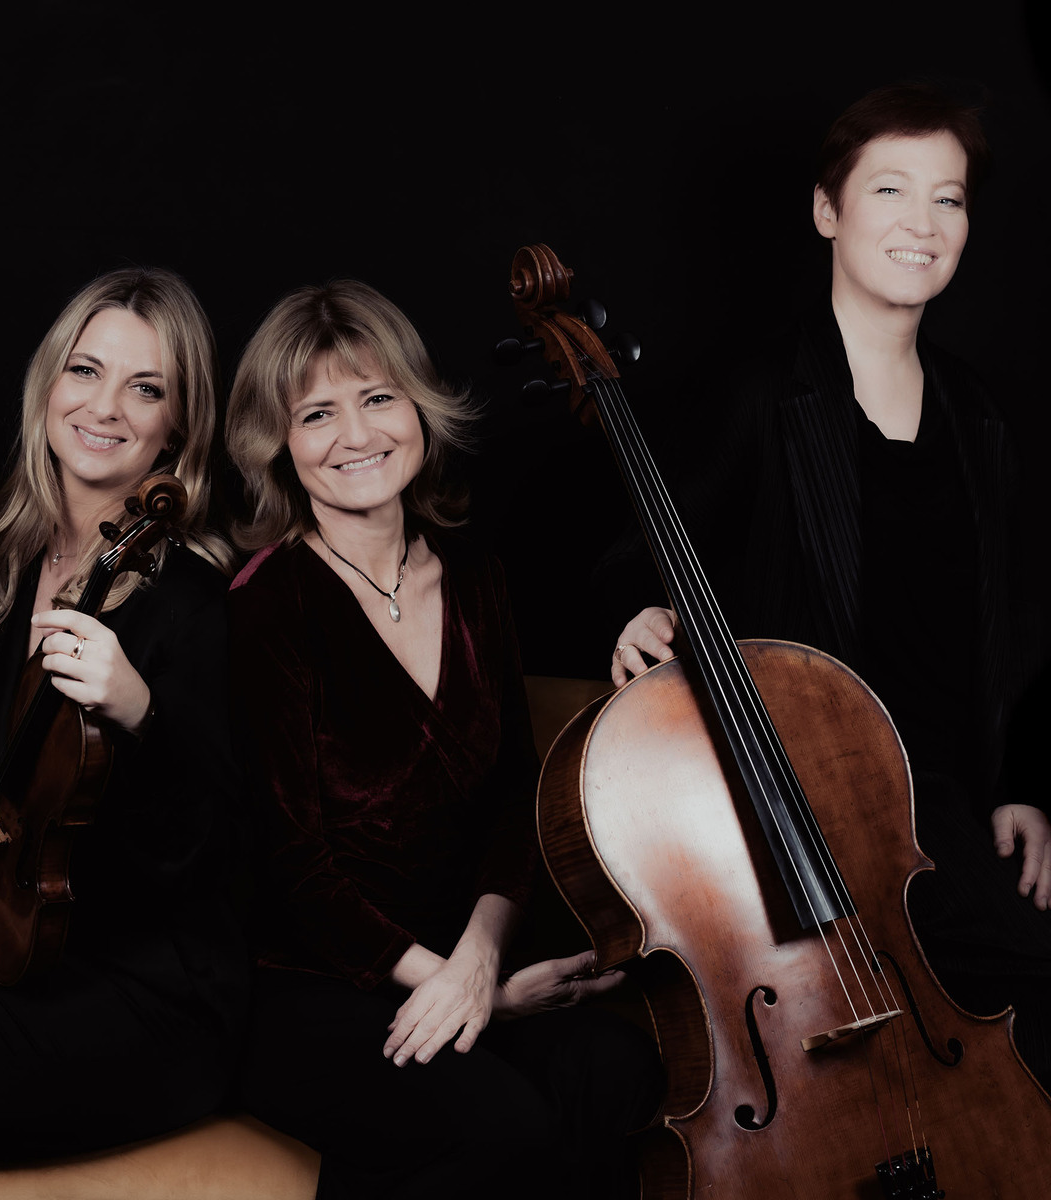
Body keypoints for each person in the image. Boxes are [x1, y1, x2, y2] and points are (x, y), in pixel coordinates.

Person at [603, 82, 1051, 1085]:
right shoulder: (760, 393)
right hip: (809, 814)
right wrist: (632, 614)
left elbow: (1019, 623)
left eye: (949, 198)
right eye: (891, 189)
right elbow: (630, 557)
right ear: (827, 211)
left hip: (950, 816)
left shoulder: (981, 413)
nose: (923, 222)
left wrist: (1022, 787)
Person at [224, 279, 662, 1199]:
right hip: (312, 981)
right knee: (504, 1129)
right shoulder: (266, 605)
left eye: (378, 398)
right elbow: (293, 864)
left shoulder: (474, 575)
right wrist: (470, 993)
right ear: (279, 444)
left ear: (419, 408)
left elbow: (512, 792)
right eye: (316, 414)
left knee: (613, 1070)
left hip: (461, 955)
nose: (356, 435)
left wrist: (480, 961)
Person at [0, 267, 246, 1196]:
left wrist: (139, 713)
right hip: (7, 953)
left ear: (177, 427)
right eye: (85, 370)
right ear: (49, 384)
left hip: (149, 1006)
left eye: (145, 388)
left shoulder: (195, 603)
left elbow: (219, 850)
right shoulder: (18, 561)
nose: (104, 407)